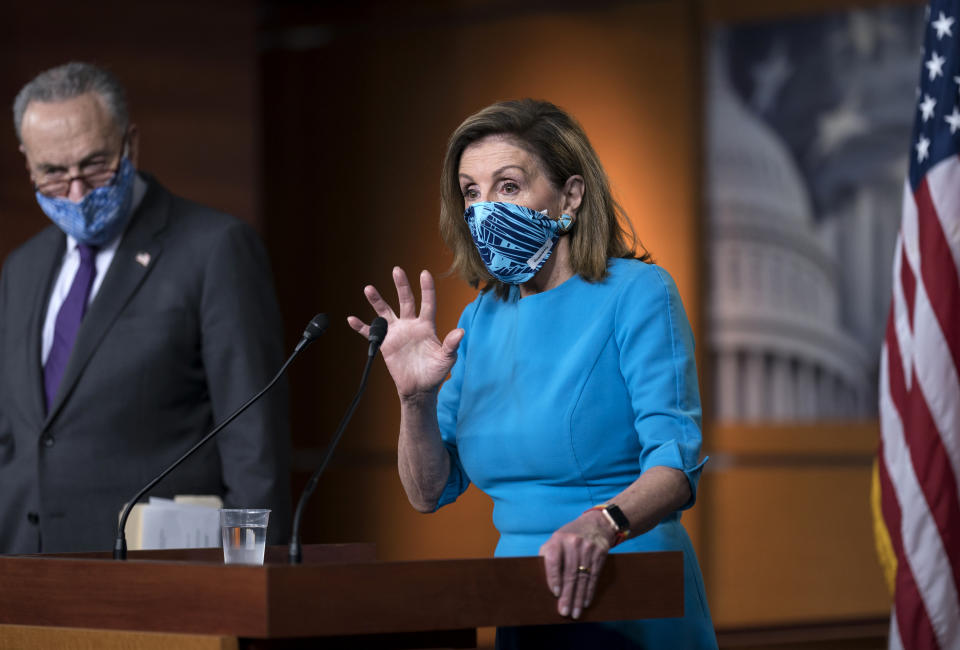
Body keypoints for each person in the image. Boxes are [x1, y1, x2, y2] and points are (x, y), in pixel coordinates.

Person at [349, 99, 716, 648]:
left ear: (570, 196)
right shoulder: (480, 318)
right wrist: (415, 400)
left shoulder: (638, 293)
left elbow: (675, 463)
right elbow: (429, 491)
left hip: (629, 583)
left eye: (508, 187)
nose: (485, 209)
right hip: (520, 594)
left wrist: (601, 524)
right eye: (471, 192)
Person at [0, 62, 291, 554]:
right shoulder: (21, 268)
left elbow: (253, 445)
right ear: (27, 162)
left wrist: (247, 576)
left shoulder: (215, 249)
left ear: (130, 144)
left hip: (152, 577)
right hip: (23, 574)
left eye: (94, 165)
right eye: (53, 172)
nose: (77, 191)